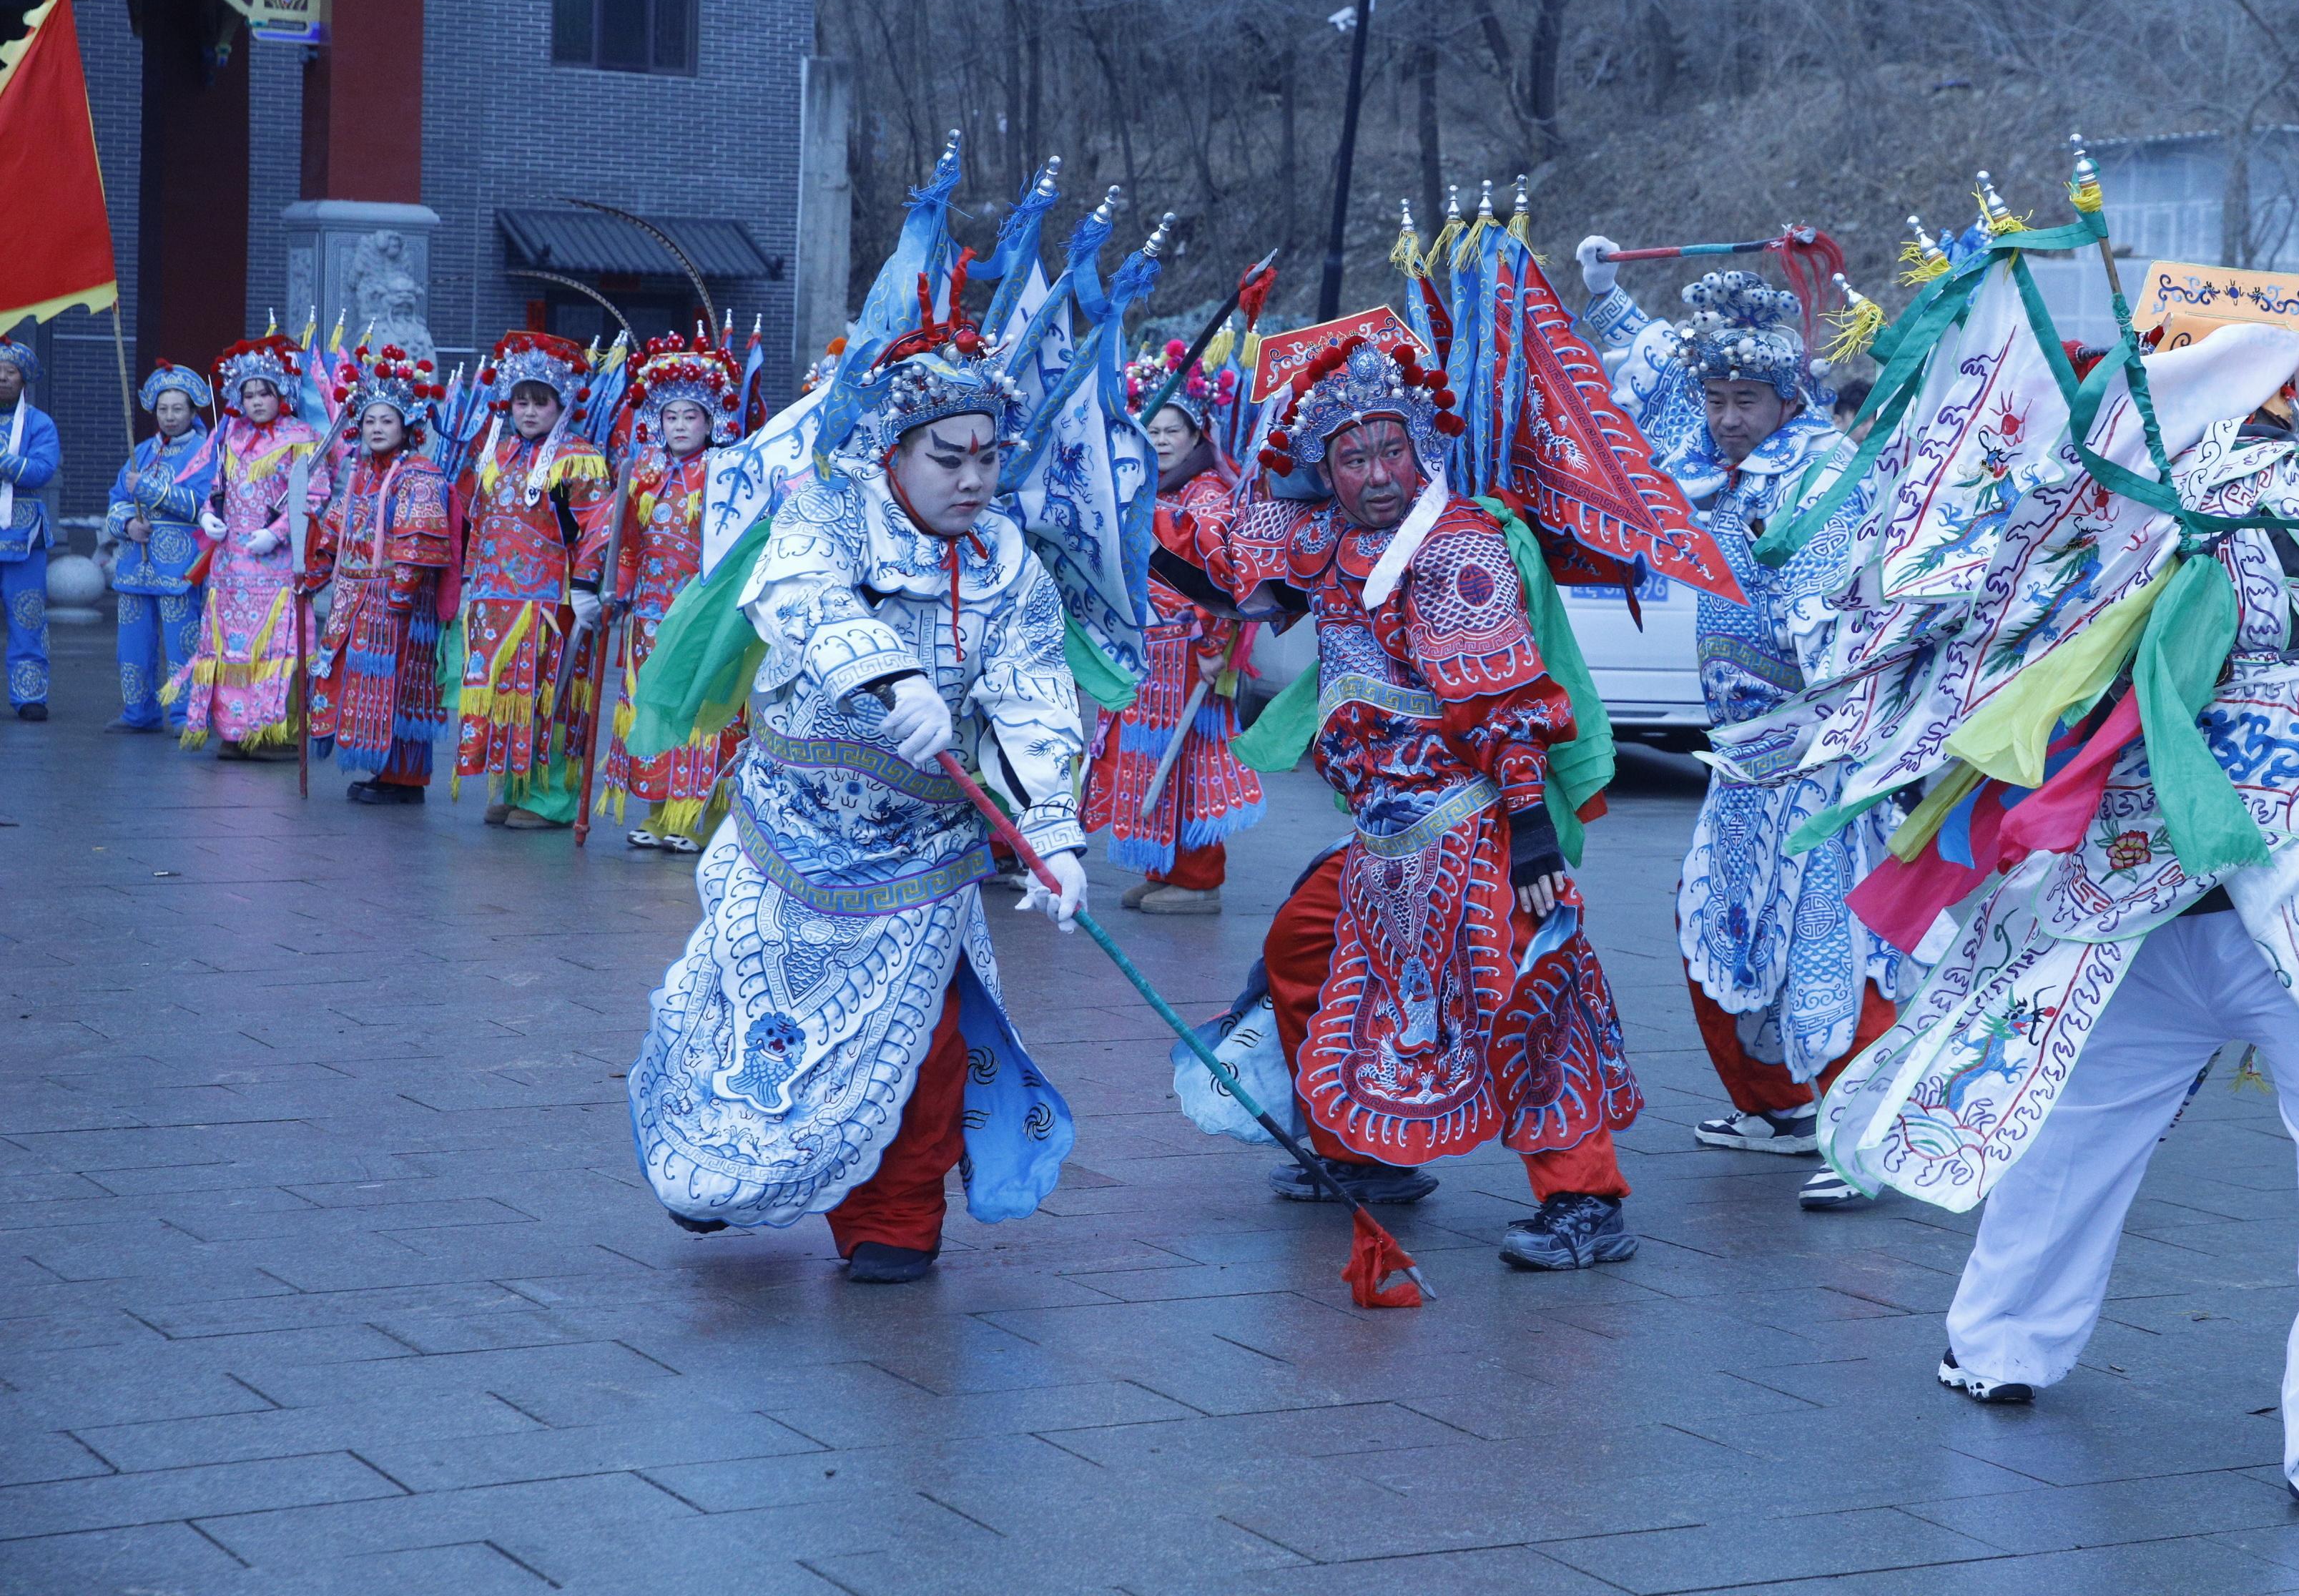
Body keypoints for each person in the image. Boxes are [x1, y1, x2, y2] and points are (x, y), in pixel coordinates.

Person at [1841, 259, 2299, 1522]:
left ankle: (1997, 1339)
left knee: (2081, 1125)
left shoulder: (2086, 497)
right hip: (2280, 886)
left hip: (2121, 886)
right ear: (2280, 378)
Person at [1158, 324, 1645, 1271]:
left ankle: (1586, 1201)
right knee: (1298, 950)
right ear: (1325, 469)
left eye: (1394, 450)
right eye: (1354, 457)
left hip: (1471, 825)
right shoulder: (1326, 539)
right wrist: (1120, 486)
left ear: (1423, 448)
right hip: (1380, 841)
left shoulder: (1455, 547)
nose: (1380, 474)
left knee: (1527, 987)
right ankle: (1359, 1151)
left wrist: (1532, 834)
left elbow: (1502, 701)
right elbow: (1215, 553)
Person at [631, 317, 1087, 1283]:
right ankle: (717, 1170)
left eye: (988, 458)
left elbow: (1035, 692)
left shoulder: (1009, 563)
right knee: (743, 1014)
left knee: (926, 1045)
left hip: (923, 848)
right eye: (947, 458)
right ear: (895, 451)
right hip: (788, 833)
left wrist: (1053, 835)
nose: (973, 480)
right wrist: (892, 676)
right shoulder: (830, 512)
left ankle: (895, 1222)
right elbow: (798, 593)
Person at [1578, 240, 1906, 1211]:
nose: (1725, 418)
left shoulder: (1824, 476)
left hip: (1818, 745)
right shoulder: (1713, 456)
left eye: (1745, 402)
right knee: (1714, 921)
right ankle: (1773, 1106)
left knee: (1826, 935)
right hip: (1739, 750)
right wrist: (1606, 296)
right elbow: (1654, 389)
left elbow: (1837, 609)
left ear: (1787, 399)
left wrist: (1817, 646)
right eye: (1717, 400)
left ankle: (1863, 1131)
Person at [1085, 352, 1262, 914]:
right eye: (1154, 430)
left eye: (1172, 431)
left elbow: (1224, 576)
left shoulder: (1206, 494)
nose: (1161, 441)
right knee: (1150, 761)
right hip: (1151, 652)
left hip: (1190, 653)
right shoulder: (1153, 486)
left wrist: (1214, 645)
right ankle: (1164, 869)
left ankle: (1199, 879)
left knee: (1190, 764)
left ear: (1196, 434)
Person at [453, 331, 611, 831]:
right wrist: (470, 580)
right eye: (521, 401)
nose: (528, 412)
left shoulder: (579, 459)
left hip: (549, 603)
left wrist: (586, 586)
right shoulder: (495, 453)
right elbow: (479, 521)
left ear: (561, 405)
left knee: (549, 698)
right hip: (493, 600)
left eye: (540, 402)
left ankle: (550, 799)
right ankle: (512, 788)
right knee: (505, 696)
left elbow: (598, 528)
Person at [597, 335, 746, 854]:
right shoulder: (643, 474)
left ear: (711, 422)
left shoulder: (727, 474)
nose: (680, 426)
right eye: (671, 417)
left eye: (691, 417)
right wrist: (614, 590)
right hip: (649, 617)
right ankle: (660, 812)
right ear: (656, 422)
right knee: (655, 707)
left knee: (699, 706)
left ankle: (701, 816)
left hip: (704, 616)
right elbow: (628, 545)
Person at [305, 343, 452, 804]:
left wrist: (402, 590)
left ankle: (405, 779)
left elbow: (418, 536)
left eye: (387, 420)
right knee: (362, 683)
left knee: (400, 684)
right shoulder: (361, 473)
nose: (376, 428)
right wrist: (313, 572)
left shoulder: (419, 474)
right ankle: (383, 769)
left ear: (407, 426)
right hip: (356, 596)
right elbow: (335, 529)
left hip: (396, 598)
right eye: (369, 420)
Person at [181, 336, 328, 759]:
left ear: (282, 394)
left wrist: (278, 532)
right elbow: (217, 487)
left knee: (275, 649)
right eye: (249, 394)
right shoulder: (231, 435)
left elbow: (314, 495)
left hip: (277, 566)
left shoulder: (301, 437)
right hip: (231, 565)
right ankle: (234, 732)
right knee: (232, 649)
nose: (257, 401)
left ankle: (273, 733)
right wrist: (208, 515)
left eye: (265, 392)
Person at [102, 363, 217, 734]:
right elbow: (116, 501)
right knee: (132, 647)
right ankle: (138, 712)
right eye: (163, 409)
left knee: (183, 645)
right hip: (135, 563)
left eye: (177, 409)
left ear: (193, 411)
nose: (169, 416)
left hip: (181, 565)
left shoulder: (206, 452)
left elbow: (202, 505)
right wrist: (127, 525)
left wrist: (148, 490)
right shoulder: (141, 452)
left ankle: (187, 715)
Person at [0, 339, 62, 721]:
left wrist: (4, 462)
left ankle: (29, 695)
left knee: (27, 615)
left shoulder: (40, 423)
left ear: (24, 380)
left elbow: (42, 471)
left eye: (11, 372)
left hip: (24, 536)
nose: (3, 378)